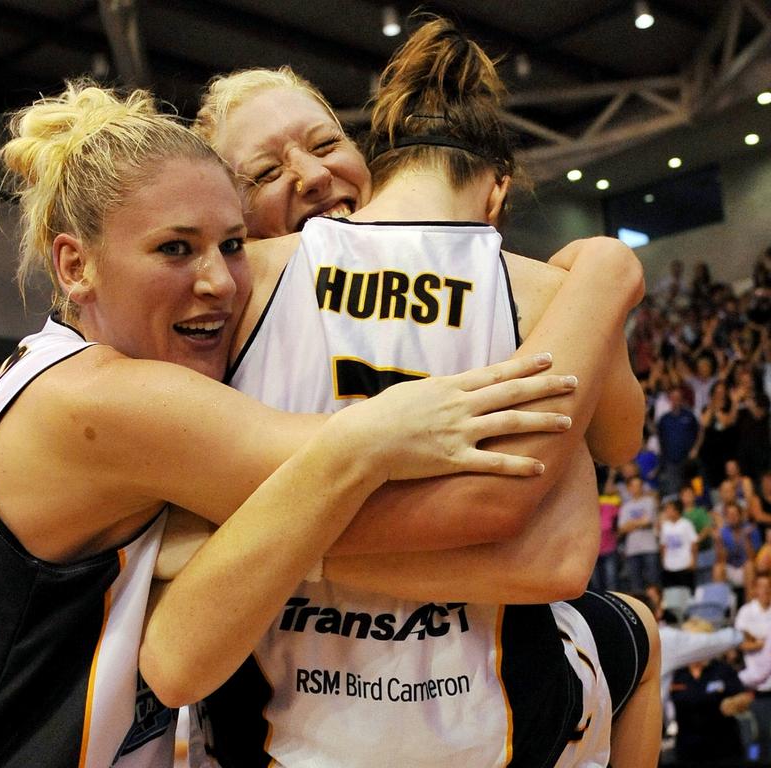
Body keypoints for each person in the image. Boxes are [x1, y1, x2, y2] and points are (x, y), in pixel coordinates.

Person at [0, 82, 576, 767]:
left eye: (234, 245)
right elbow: (473, 510)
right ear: (74, 266)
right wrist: (600, 281)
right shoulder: (107, 401)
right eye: (176, 248)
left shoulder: (61, 375)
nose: (221, 281)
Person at [161, 21, 657, 766]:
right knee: (636, 634)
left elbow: (555, 560)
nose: (313, 177)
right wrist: (607, 271)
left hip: (276, 733)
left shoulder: (242, 295)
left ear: (372, 156)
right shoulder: (540, 290)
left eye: (326, 146)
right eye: (265, 173)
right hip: (490, 733)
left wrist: (246, 549)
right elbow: (581, 508)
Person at [669, 618, 753, 764]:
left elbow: (744, 696)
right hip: (687, 750)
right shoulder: (675, 673)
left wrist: (734, 703)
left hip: (723, 748)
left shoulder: (722, 670)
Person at [736, 572, 771, 759]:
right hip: (752, 688)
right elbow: (740, 641)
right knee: (753, 740)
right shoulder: (746, 612)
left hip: (769, 685)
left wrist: (755, 640)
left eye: (769, 587)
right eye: (762, 586)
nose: (765, 590)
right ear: (755, 588)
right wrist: (759, 644)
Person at [618, 476, 661, 592]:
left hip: (649, 547)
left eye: (639, 485)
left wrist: (631, 524)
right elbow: (621, 528)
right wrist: (639, 522)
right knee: (636, 585)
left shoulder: (650, 501)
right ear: (629, 488)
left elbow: (648, 521)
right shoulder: (626, 506)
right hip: (632, 549)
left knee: (653, 582)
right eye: (633, 485)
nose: (636, 488)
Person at [660, 498, 698, 590]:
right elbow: (663, 545)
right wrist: (664, 561)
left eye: (669, 509)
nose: (667, 512)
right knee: (671, 592)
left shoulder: (686, 524)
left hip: (685, 564)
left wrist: (693, 561)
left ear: (677, 511)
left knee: (687, 592)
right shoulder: (665, 526)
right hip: (670, 566)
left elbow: (694, 543)